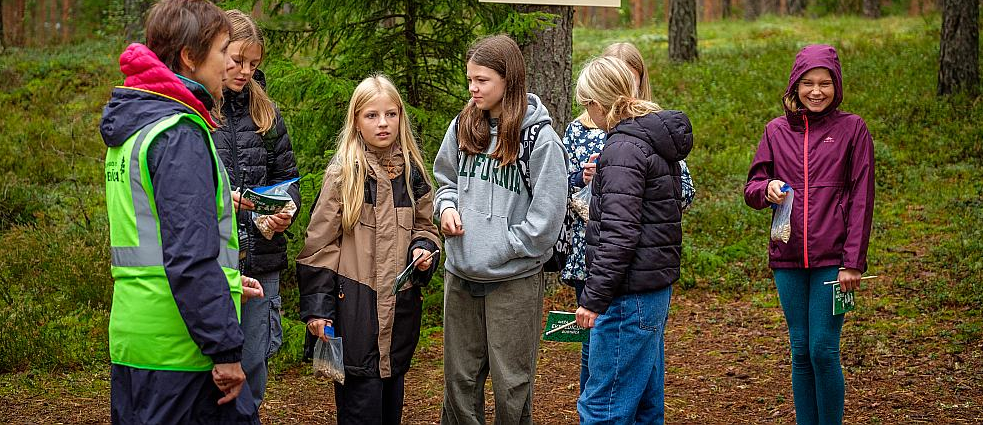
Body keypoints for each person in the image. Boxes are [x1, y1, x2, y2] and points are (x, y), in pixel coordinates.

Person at [100, 0, 260, 424]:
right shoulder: (178, 134)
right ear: (190, 58)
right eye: (224, 51)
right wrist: (224, 348)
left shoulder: (136, 130)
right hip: (184, 352)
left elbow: (155, 243)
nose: (231, 64)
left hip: (136, 342)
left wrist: (225, 281)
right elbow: (188, 256)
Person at [433, 34, 569, 424]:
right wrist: (446, 208)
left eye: (482, 80)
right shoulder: (462, 125)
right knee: (459, 381)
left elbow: (547, 218)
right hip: (460, 275)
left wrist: (505, 245)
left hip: (513, 279)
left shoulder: (539, 140)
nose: (472, 89)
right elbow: (444, 180)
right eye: (469, 79)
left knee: (511, 384)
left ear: (508, 80)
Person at [297, 75, 441, 425]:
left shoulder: (413, 173)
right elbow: (319, 246)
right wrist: (319, 309)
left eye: (391, 115)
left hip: (399, 313)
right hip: (354, 314)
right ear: (356, 121)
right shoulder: (343, 175)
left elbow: (427, 226)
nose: (383, 124)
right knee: (360, 409)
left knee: (390, 406)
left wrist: (424, 251)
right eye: (372, 116)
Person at [744, 44, 875, 425]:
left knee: (823, 349)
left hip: (833, 261)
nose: (816, 91)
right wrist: (765, 188)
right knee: (800, 349)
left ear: (837, 86)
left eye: (825, 83)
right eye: (808, 83)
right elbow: (752, 187)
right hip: (786, 257)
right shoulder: (775, 130)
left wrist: (853, 262)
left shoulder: (853, 129)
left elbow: (861, 198)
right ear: (795, 86)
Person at [560, 42, 695, 394]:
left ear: (600, 103)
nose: (587, 112)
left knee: (604, 402)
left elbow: (619, 234)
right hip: (649, 284)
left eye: (588, 104)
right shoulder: (650, 139)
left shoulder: (622, 149)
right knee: (644, 397)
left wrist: (593, 298)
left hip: (626, 290)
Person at [212, 9, 301, 411]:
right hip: (215, 263)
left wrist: (285, 210)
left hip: (262, 261)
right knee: (210, 372)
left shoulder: (266, 112)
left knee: (252, 366)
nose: (245, 71)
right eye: (236, 60)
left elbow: (289, 177)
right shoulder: (199, 113)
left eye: (254, 63)